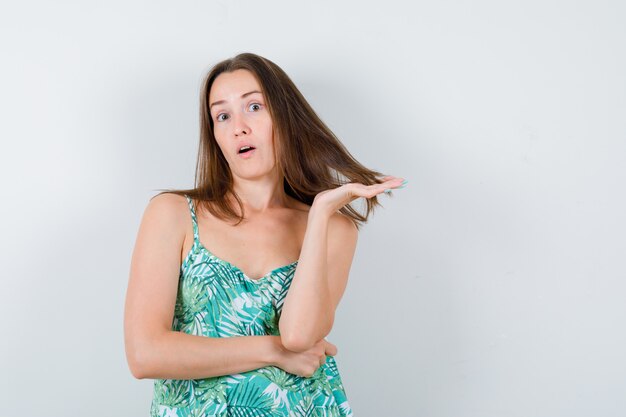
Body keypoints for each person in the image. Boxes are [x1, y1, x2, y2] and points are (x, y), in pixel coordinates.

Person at [123, 52, 407, 417]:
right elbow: (144, 354)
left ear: (284, 118)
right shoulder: (172, 215)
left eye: (254, 107)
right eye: (222, 115)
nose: (239, 126)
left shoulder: (334, 227)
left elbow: (299, 337)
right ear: (216, 135)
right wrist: (271, 351)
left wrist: (319, 213)